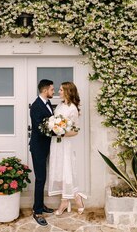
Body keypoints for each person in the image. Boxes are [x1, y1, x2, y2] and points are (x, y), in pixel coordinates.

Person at [47, 81, 88, 215]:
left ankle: (65, 202)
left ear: (67, 92)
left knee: (66, 171)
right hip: (56, 143)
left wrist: (62, 132)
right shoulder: (59, 105)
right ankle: (76, 197)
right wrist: (54, 127)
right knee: (58, 171)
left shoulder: (73, 109)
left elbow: (75, 131)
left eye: (60, 90)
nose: (58, 92)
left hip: (66, 144)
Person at [29, 79, 55, 226]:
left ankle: (40, 204)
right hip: (38, 147)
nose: (53, 91)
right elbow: (40, 128)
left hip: (45, 146)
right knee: (40, 179)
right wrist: (58, 131)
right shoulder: (36, 106)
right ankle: (37, 212)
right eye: (52, 89)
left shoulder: (47, 103)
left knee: (43, 178)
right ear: (45, 91)